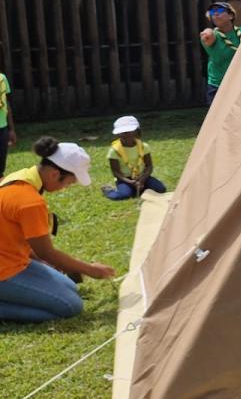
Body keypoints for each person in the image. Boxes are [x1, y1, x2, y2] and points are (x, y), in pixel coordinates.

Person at [0, 137, 115, 322]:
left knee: (70, 287)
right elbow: (47, 253)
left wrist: (54, 265)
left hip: (14, 260)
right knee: (71, 306)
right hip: (5, 269)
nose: (65, 188)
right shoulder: (30, 202)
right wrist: (91, 269)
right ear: (55, 174)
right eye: (68, 183)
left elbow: (32, 246)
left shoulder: (22, 176)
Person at [102, 116, 167, 201]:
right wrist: (131, 182)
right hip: (125, 179)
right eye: (123, 132)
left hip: (142, 176)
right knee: (123, 195)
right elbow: (116, 172)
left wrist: (142, 179)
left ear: (136, 131)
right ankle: (108, 190)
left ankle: (137, 188)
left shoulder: (144, 146)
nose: (126, 135)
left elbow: (149, 166)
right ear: (118, 134)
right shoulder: (114, 150)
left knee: (160, 189)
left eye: (129, 131)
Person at [199, 1, 241, 105]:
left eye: (220, 10)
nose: (216, 14)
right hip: (218, 86)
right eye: (212, 12)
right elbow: (208, 36)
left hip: (240, 83)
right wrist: (207, 32)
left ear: (231, 15)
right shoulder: (212, 36)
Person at [0, 72, 16, 175]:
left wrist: (11, 129)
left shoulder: (2, 78)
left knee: (0, 167)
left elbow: (6, 103)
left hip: (2, 128)